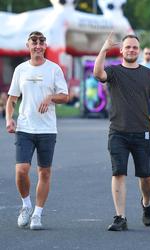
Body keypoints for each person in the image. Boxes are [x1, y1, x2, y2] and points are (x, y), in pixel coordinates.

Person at [93, 33, 150, 231]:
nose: (131, 50)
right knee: (118, 173)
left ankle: (147, 204)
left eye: (135, 47)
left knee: (146, 177)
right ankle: (120, 217)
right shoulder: (114, 72)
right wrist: (103, 49)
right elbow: (98, 74)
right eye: (128, 47)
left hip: (142, 132)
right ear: (121, 50)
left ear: (139, 51)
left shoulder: (148, 74)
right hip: (118, 132)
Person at [5, 31, 69, 230]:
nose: (38, 45)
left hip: (47, 129)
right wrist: (9, 119)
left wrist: (50, 98)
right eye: (34, 42)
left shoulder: (54, 69)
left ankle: (37, 215)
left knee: (44, 172)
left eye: (41, 42)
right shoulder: (21, 70)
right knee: (21, 170)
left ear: (45, 45)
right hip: (24, 127)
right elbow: (12, 99)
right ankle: (26, 205)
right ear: (28, 45)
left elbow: (64, 96)